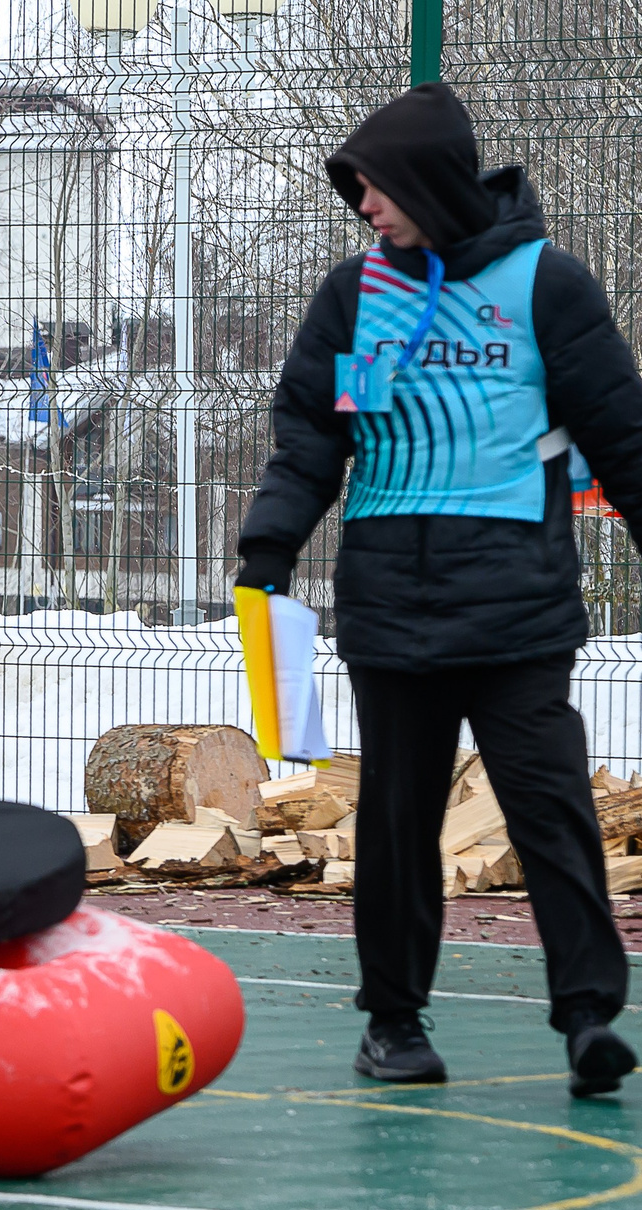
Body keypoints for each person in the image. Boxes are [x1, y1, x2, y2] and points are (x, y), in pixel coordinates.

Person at [236, 82, 642, 1095]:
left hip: (518, 613)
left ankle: (589, 1018)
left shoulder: (546, 285)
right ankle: (393, 1025)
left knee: (551, 816)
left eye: (374, 189)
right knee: (395, 826)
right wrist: (267, 551)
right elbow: (309, 442)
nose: (363, 208)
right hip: (390, 613)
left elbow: (621, 436)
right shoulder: (356, 295)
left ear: (427, 182)